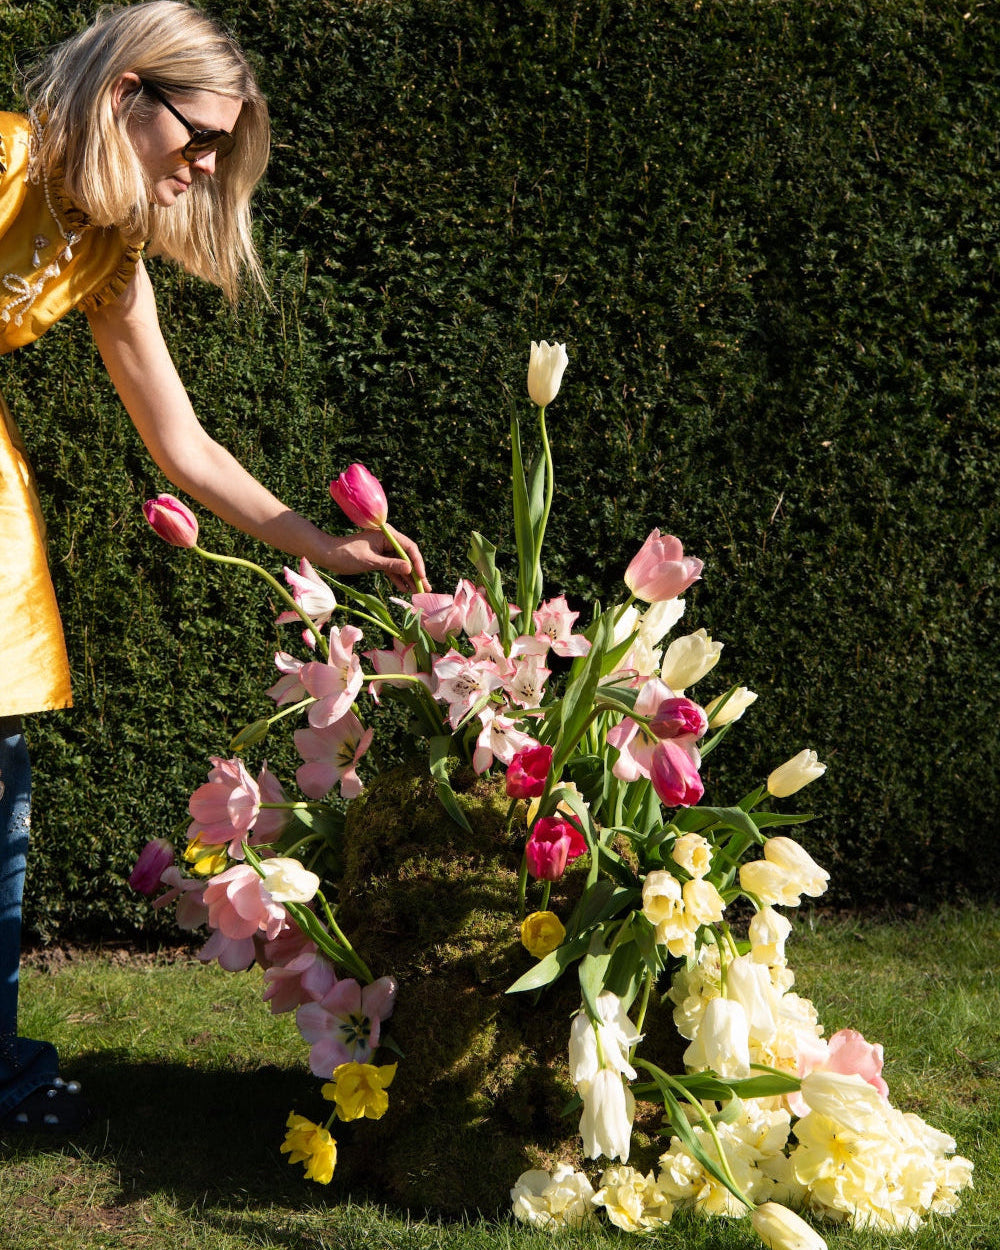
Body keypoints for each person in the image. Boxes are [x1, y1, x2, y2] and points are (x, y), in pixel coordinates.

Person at [0, 0, 427, 1132]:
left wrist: (317, 540)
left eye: (221, 150)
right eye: (197, 135)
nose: (205, 165)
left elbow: (181, 444)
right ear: (123, 94)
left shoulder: (106, 251)